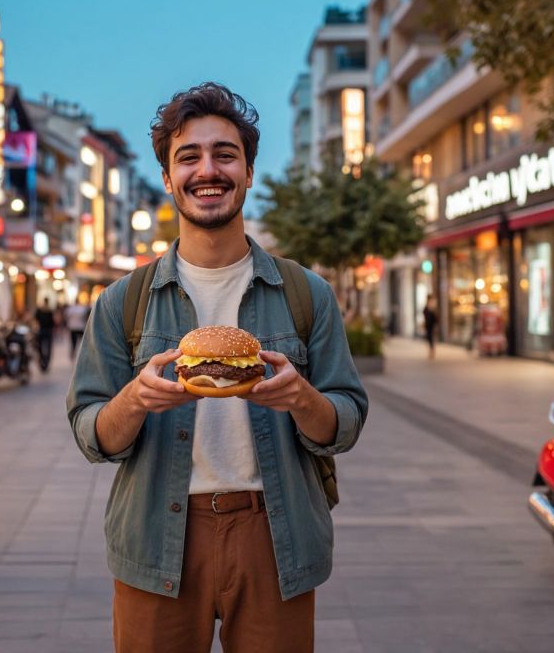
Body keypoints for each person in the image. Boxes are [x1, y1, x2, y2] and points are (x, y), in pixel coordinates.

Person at [67, 82, 367, 653]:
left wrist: (301, 397)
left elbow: (346, 422)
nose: (209, 170)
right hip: (156, 533)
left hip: (274, 535)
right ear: (168, 179)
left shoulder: (307, 294)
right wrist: (137, 399)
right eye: (189, 156)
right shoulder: (121, 302)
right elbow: (90, 433)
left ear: (249, 172)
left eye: (225, 154)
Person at [65, 293, 90, 357]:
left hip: (72, 327)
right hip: (80, 327)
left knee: (73, 341)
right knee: (82, 341)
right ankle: (83, 352)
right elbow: (86, 317)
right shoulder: (82, 309)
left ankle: (73, 351)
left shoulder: (70, 309)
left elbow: (67, 317)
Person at [34, 301, 57, 370]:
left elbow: (36, 319)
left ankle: (42, 359)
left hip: (41, 329)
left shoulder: (40, 310)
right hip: (48, 330)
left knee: (40, 345)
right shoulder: (49, 310)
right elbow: (52, 322)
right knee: (48, 347)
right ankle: (46, 360)